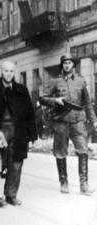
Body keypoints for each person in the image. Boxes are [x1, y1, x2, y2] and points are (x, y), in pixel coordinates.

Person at [40, 53, 97, 195]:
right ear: (62, 65)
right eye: (65, 63)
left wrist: (94, 119)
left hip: (78, 121)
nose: (67, 65)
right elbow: (42, 98)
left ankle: (84, 183)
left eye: (69, 63)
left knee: (83, 151)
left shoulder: (81, 81)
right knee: (60, 152)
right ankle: (63, 181)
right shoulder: (55, 81)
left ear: (73, 65)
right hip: (61, 121)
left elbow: (88, 103)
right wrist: (55, 100)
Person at [0, 61, 37, 206]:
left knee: (16, 162)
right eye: (6, 71)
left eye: (11, 71)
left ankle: (11, 194)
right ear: (1, 71)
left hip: (18, 131)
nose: (8, 74)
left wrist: (32, 134)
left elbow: (29, 113)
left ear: (15, 72)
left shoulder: (21, 90)